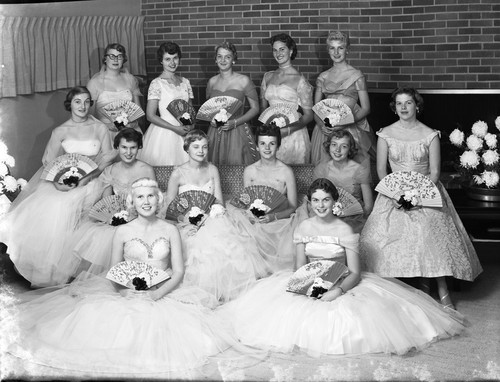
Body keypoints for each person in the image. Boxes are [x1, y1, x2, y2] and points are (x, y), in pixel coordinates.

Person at [7, 178, 241, 378]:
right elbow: (115, 269)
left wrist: (157, 294)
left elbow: (178, 271)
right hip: (126, 290)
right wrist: (123, 291)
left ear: (158, 200)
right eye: (140, 197)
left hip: (163, 289)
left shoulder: (170, 230)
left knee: (183, 337)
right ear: (132, 201)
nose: (146, 201)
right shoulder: (123, 231)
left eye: (151, 196)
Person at [218, 178, 466, 356]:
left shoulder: (344, 230)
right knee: (276, 318)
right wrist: (307, 286)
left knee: (355, 322)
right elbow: (298, 266)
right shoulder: (303, 228)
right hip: (310, 280)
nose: (320, 205)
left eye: (326, 199)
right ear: (310, 202)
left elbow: (356, 272)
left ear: (335, 201)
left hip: (342, 281)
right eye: (315, 200)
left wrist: (337, 291)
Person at [359, 87, 483, 309]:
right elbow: (381, 171)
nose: (404, 107)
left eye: (408, 103)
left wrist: (416, 197)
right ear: (394, 108)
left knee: (426, 228)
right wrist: (396, 195)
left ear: (417, 105)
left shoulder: (430, 134)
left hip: (426, 192)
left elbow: (434, 173)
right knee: (378, 239)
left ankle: (441, 287)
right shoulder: (384, 134)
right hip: (393, 194)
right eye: (399, 103)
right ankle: (387, 292)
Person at [0, 86, 114, 287]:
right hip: (69, 182)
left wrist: (86, 178)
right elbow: (50, 163)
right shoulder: (60, 131)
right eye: (78, 101)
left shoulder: (100, 128)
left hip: (96, 179)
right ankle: (63, 270)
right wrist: (59, 183)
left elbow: (107, 159)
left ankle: (87, 269)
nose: (83, 106)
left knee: (84, 205)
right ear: (70, 104)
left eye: (87, 101)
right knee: (58, 207)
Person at [165, 130, 271, 303]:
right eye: (196, 147)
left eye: (204, 147)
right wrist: (186, 223)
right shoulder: (178, 174)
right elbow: (170, 208)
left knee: (226, 244)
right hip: (185, 224)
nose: (201, 151)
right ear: (187, 149)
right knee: (197, 250)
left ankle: (224, 292)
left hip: (212, 219)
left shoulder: (212, 169)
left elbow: (219, 201)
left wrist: (210, 216)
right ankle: (203, 293)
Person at [65, 128, 156, 277]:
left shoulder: (146, 170)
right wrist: (114, 218)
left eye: (133, 147)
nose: (128, 152)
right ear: (117, 148)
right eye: (124, 147)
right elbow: (108, 203)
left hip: (140, 217)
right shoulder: (111, 170)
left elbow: (150, 201)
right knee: (102, 236)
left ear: (139, 147)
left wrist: (134, 216)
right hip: (117, 218)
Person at [226, 124, 300, 270]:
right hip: (254, 219)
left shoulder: (286, 172)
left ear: (278, 146)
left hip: (278, 221)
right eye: (263, 143)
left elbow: (293, 206)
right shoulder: (250, 171)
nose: (267, 148)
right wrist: (250, 217)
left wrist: (273, 217)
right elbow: (247, 200)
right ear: (257, 147)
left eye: (272, 144)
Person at [310, 31, 376, 166]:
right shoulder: (322, 77)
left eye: (340, 47)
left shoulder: (356, 75)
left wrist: (345, 123)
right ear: (328, 50)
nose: (336, 52)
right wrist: (322, 125)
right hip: (326, 129)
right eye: (332, 48)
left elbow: (366, 108)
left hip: (350, 127)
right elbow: (316, 109)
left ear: (347, 50)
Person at [260, 33, 313, 164]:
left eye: (282, 49)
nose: (278, 53)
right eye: (275, 50)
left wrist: (287, 130)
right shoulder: (267, 77)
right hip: (271, 135)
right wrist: (267, 130)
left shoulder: (300, 80)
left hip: (293, 135)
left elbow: (309, 115)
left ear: (291, 51)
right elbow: (263, 110)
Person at [138, 42, 194, 166]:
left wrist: (190, 126)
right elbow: (150, 116)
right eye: (168, 59)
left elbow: (190, 111)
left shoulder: (185, 82)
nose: (172, 63)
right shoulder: (157, 83)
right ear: (161, 61)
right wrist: (175, 128)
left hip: (185, 131)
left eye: (175, 58)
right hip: (165, 132)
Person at [206, 41, 259, 165]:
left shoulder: (243, 80)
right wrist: (211, 119)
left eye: (227, 57)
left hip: (237, 130)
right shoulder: (212, 82)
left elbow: (255, 109)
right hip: (215, 132)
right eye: (219, 56)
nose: (223, 60)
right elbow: (208, 109)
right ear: (215, 59)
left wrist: (235, 122)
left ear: (233, 59)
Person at [313, 130, 373, 230]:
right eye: (334, 145)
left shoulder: (359, 170)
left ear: (350, 149)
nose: (337, 150)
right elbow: (314, 199)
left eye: (344, 146)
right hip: (325, 215)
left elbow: (368, 206)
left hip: (354, 218)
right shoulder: (321, 169)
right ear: (329, 146)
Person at [87, 43, 142, 136]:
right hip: (105, 132)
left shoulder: (130, 79)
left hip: (130, 130)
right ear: (105, 59)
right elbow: (89, 115)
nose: (116, 60)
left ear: (123, 59)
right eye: (112, 56)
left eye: (119, 56)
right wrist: (106, 125)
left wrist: (134, 122)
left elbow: (138, 110)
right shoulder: (94, 83)